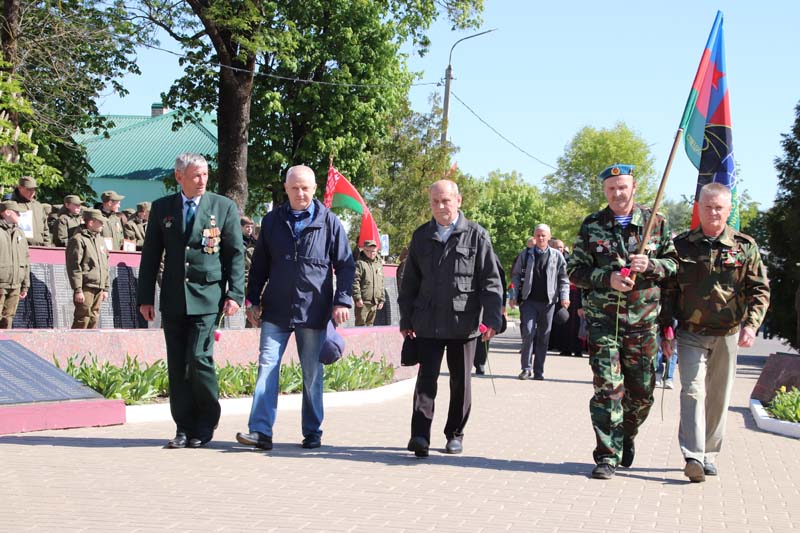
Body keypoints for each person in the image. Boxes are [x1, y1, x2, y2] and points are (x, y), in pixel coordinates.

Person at [568, 163, 677, 480]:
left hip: (642, 325)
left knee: (641, 394)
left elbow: (674, 266)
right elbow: (575, 271)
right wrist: (608, 278)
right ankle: (607, 455)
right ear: (605, 191)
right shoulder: (592, 226)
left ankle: (626, 433)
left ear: (634, 188)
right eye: (611, 189)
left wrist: (651, 265)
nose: (617, 193)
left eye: (623, 187)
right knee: (608, 391)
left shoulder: (655, 223)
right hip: (604, 324)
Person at [236, 165, 355, 451]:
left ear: (314, 189)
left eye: (305, 188)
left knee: (311, 373)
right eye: (294, 188)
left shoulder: (329, 222)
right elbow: (259, 266)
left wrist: (342, 300)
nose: (300, 193)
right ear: (286, 189)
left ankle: (312, 431)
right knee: (267, 366)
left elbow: (346, 265)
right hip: (276, 309)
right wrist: (251, 300)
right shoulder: (272, 221)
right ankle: (260, 431)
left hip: (313, 310)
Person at [659, 182, 770, 482]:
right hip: (690, 332)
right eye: (707, 207)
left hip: (727, 332)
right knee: (693, 391)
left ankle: (709, 453)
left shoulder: (744, 246)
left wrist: (752, 325)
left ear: (729, 209)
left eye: (719, 207)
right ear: (699, 208)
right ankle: (693, 456)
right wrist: (665, 328)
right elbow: (668, 290)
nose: (713, 213)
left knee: (719, 396)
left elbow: (759, 289)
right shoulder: (681, 245)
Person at [137, 153, 245, 449]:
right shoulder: (163, 208)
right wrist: (145, 297)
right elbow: (151, 255)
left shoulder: (222, 207)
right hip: (174, 298)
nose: (202, 180)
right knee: (177, 365)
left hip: (208, 297)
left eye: (205, 174)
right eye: (196, 175)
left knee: (199, 358)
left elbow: (235, 253)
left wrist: (235, 293)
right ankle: (183, 427)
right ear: (179, 177)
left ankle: (206, 421)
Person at [398, 179, 503, 457]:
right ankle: (419, 436)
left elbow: (491, 281)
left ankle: (455, 434)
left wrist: (493, 319)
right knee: (425, 382)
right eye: (435, 201)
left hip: (463, 324)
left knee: (460, 382)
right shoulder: (421, 236)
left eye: (445, 200)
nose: (440, 206)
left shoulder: (477, 235)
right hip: (428, 322)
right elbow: (409, 283)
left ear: (458, 201)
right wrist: (406, 320)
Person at [509, 224, 570, 380]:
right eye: (538, 235)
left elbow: (563, 278)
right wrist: (513, 295)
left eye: (543, 235)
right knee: (528, 333)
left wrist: (564, 296)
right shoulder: (526, 254)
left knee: (544, 336)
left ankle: (539, 371)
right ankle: (526, 368)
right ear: (534, 237)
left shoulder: (557, 256)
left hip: (548, 303)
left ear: (549, 237)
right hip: (529, 301)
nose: (541, 238)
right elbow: (515, 276)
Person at [66, 209, 110, 329]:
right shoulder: (78, 239)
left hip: (99, 287)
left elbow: (105, 265)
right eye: (100, 222)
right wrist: (78, 289)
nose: (103, 225)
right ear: (91, 222)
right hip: (86, 286)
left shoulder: (100, 240)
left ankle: (91, 341)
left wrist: (105, 287)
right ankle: (76, 341)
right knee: (83, 317)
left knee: (94, 317)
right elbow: (74, 266)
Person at [473, 252, 507, 375]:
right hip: (467, 299)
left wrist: (502, 304)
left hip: (486, 299)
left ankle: (480, 362)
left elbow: (500, 282)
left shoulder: (492, 257)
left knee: (484, 329)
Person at [0, 201, 30, 328]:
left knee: (8, 319)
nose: (19, 215)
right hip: (1, 283)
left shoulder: (20, 233)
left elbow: (26, 259)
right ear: (7, 212)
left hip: (15, 284)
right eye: (17, 212)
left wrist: (25, 285)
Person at [9, 176, 51, 246]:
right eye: (29, 189)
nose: (32, 192)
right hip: (20, 247)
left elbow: (45, 229)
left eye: (34, 189)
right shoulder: (11, 206)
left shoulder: (38, 206)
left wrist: (47, 246)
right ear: (20, 188)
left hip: (40, 247)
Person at [352, 240, 385, 326]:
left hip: (375, 301)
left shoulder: (378, 264)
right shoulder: (359, 263)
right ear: (364, 250)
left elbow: (381, 282)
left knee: (370, 326)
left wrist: (382, 299)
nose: (371, 253)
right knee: (360, 326)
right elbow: (355, 281)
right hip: (363, 301)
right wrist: (357, 298)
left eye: (373, 251)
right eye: (368, 251)